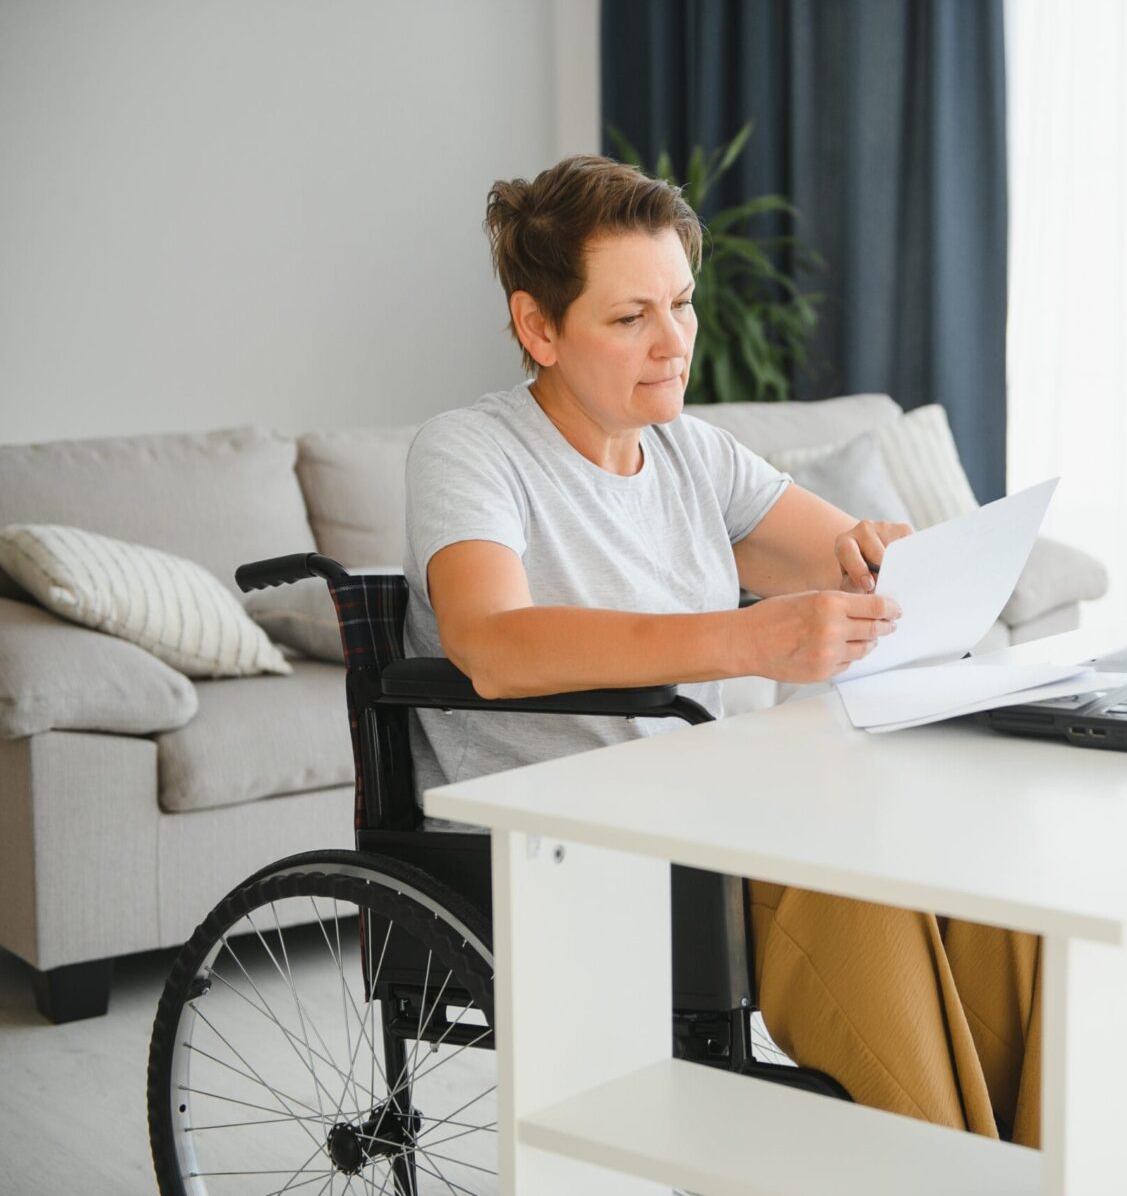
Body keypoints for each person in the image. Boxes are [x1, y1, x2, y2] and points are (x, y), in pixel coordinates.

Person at [404, 155, 1043, 1146]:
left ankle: (1031, 1161)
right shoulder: (471, 450)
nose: (674, 343)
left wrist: (885, 559)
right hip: (568, 838)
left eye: (683, 304)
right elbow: (490, 643)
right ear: (539, 328)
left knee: (982, 866)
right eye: (631, 318)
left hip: (710, 803)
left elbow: (856, 562)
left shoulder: (692, 454)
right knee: (858, 874)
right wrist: (746, 634)